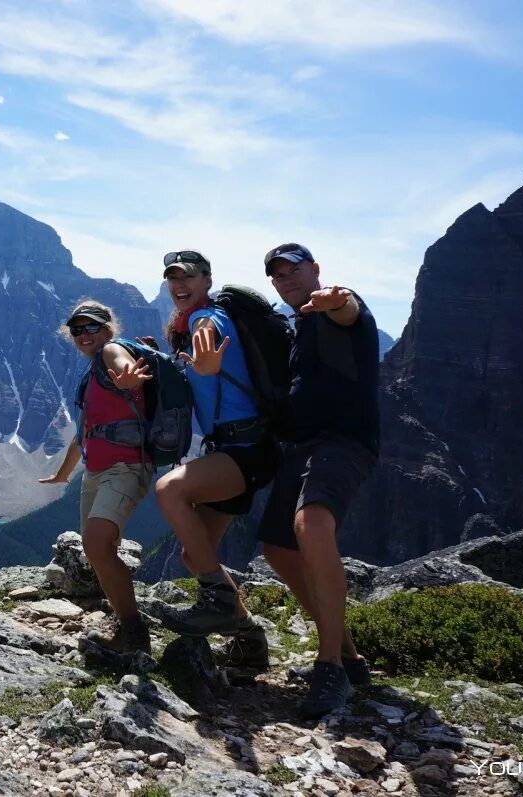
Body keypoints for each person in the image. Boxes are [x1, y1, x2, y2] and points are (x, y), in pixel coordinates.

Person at [258, 242, 379, 718]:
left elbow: (346, 309)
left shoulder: (337, 307)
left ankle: (329, 666)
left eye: (293, 270)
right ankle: (349, 657)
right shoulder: (300, 325)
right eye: (277, 276)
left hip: (344, 443)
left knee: (312, 526)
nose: (285, 280)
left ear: (315, 270)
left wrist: (337, 300)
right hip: (304, 448)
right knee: (278, 548)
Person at [152, 251, 279, 658]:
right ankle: (249, 636)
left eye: (187, 277)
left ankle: (218, 601)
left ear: (206, 281)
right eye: (172, 278)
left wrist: (205, 362)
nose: (178, 285)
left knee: (169, 490)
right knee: (195, 553)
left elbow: (208, 338)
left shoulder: (208, 319)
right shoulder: (188, 325)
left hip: (246, 449)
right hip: (234, 449)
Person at [39, 300, 157, 655]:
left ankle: (135, 634)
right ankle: (123, 621)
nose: (84, 334)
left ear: (108, 328)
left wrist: (127, 375)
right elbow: (84, 432)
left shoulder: (111, 352)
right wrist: (62, 474)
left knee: (96, 544)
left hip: (126, 467)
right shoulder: (92, 375)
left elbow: (120, 361)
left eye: (92, 327)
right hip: (96, 471)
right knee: (97, 550)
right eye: (77, 329)